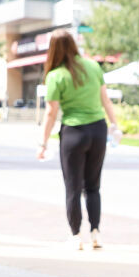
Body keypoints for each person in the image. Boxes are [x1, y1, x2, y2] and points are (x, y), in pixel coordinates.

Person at [36, 28, 120, 250]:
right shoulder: (93, 66)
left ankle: (75, 236)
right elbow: (106, 100)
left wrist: (43, 143)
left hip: (73, 132)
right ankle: (95, 233)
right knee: (93, 186)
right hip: (98, 131)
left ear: (53, 50)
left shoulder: (55, 75)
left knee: (73, 187)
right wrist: (115, 125)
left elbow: (51, 113)